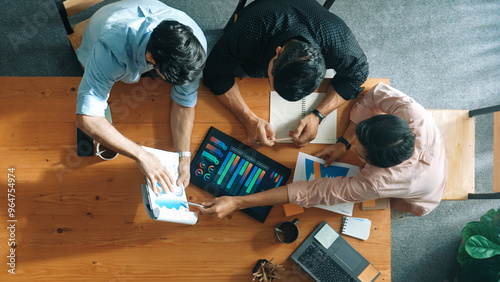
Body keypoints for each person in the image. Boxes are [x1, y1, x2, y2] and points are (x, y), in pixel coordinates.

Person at [199, 82, 448, 219]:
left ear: (373, 166)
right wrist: (344, 143)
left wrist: (238, 202)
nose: (355, 151)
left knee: (394, 208)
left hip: (423, 197)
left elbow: (312, 191)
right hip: (431, 163)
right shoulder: (413, 113)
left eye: (359, 154)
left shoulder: (377, 183)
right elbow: (375, 94)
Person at [75, 0, 207, 193]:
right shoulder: (109, 49)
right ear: (152, 59)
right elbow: (86, 118)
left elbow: (185, 102)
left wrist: (184, 157)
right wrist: (141, 155)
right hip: (103, 27)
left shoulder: (195, 48)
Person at [203, 0, 368, 147]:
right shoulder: (251, 29)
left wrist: (318, 115)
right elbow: (214, 72)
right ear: (278, 52)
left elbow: (358, 73)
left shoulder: (339, 44)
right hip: (263, 17)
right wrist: (248, 119)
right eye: (271, 83)